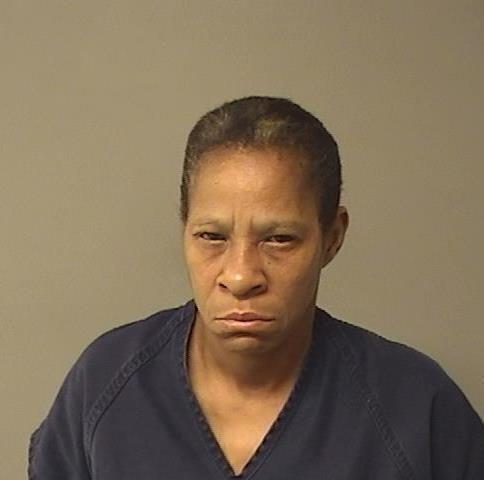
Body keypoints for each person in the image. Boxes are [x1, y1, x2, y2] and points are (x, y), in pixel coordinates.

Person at [29, 96, 483, 479]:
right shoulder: (105, 383)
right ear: (184, 230)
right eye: (212, 236)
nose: (241, 276)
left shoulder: (416, 407)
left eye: (279, 239)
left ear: (332, 237)